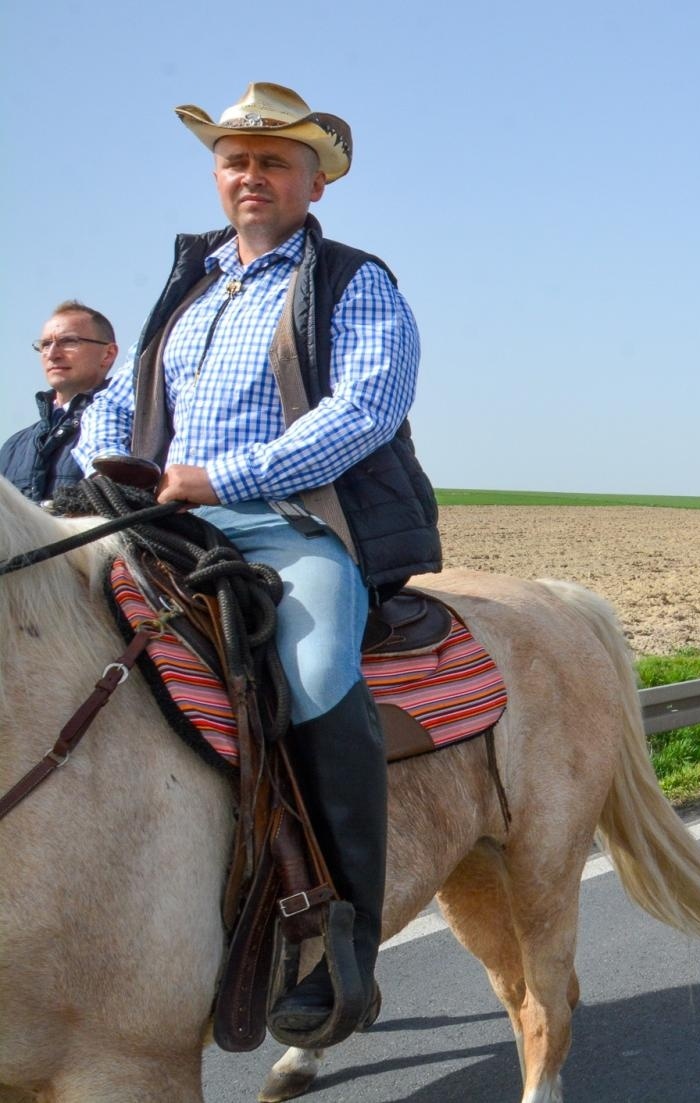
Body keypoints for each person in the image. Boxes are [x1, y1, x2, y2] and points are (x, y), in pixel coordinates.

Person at [75, 82, 440, 1038]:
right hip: (162, 525)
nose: (251, 176)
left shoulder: (354, 281)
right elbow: (119, 394)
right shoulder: (189, 286)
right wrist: (105, 459)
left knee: (316, 673)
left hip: (292, 528)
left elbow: (363, 410)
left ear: (314, 183)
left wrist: (219, 477)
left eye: (275, 162)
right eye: (237, 160)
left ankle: (343, 937)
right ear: (216, 174)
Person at [0, 301, 119, 503]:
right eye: (45, 344)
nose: (53, 354)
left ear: (107, 354)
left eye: (69, 341)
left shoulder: (126, 433)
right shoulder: (12, 447)